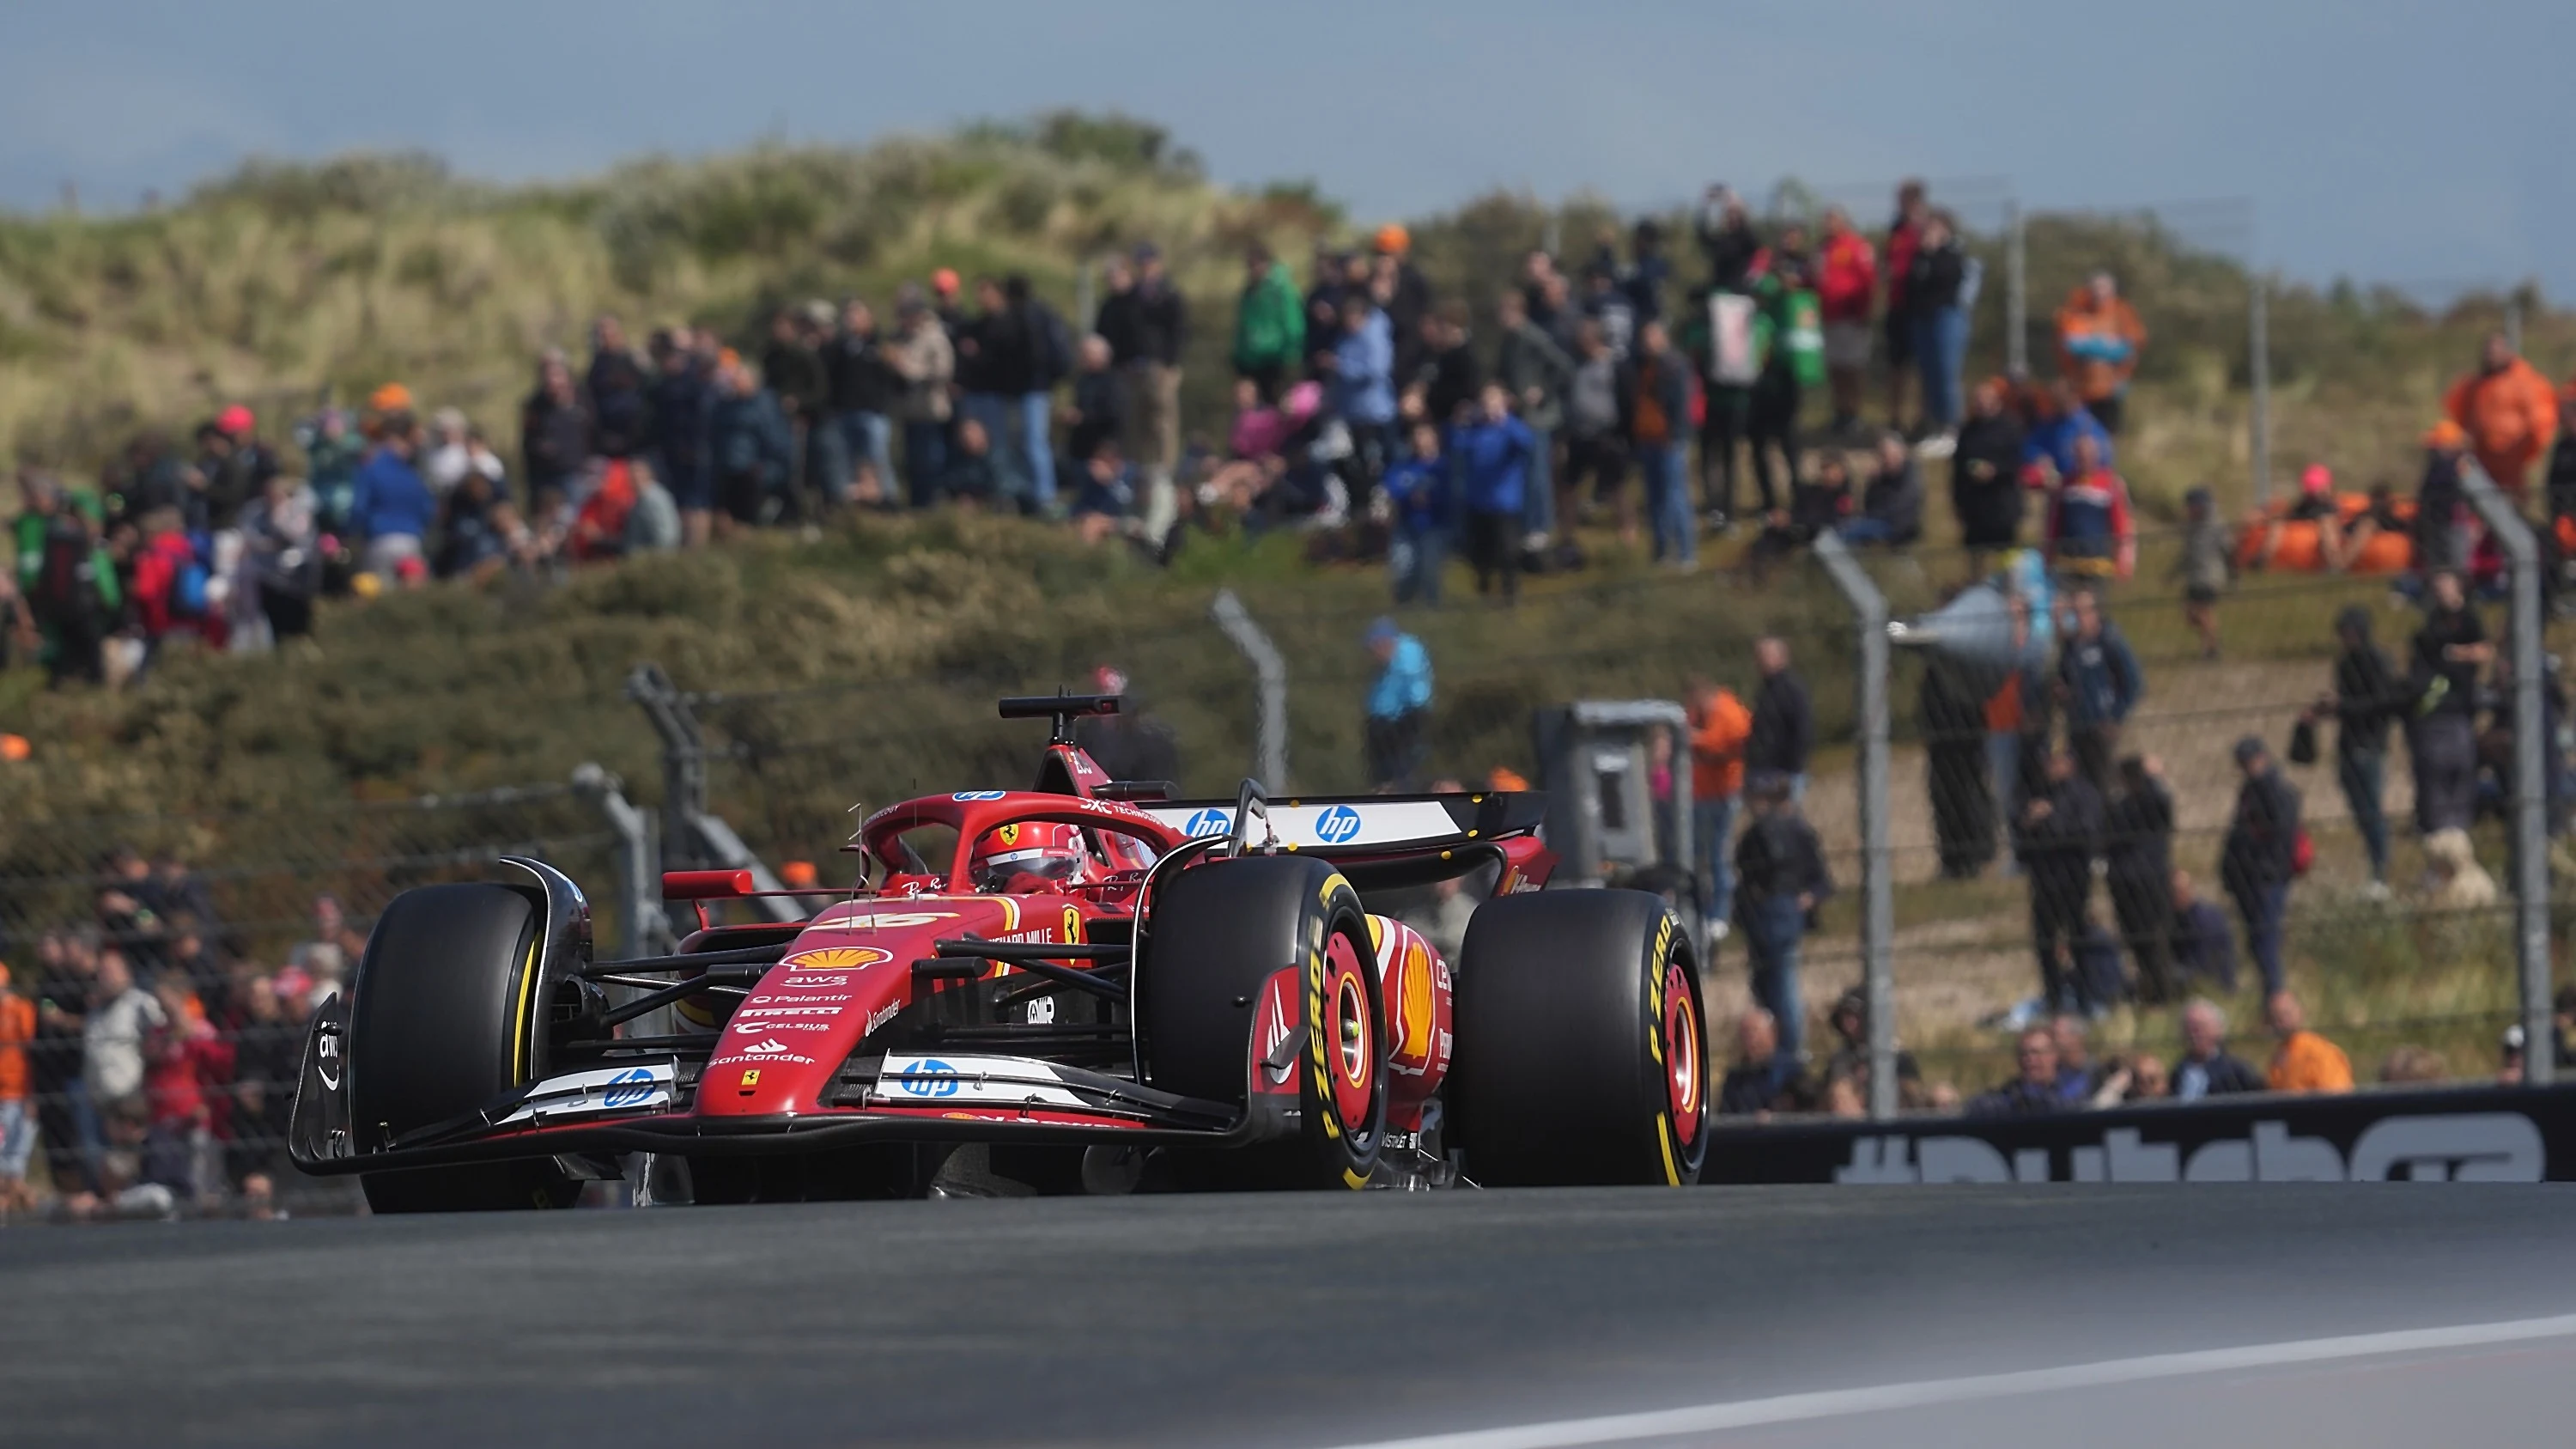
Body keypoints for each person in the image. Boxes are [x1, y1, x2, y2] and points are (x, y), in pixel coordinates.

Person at [2305, 606, 2403, 892]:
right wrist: (2325, 708)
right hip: (2349, 742)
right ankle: (2374, 863)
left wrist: (2343, 705)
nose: (2345, 638)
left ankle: (2380, 870)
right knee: (2359, 807)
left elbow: (2381, 704)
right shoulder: (2345, 663)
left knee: (2372, 809)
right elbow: (2349, 701)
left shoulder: (2377, 661)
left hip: (2370, 743)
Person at [1733, 775, 1829, 1068]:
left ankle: (1790, 1050)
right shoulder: (1763, 833)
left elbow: (1818, 877)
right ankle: (1773, 1047)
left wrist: (1807, 896)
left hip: (1778, 912)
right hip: (1767, 914)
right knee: (1767, 983)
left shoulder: (1787, 832)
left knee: (1781, 983)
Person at [2018, 747, 2105, 1014]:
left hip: (2073, 878)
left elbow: (2086, 833)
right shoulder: (2036, 794)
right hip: (2043, 881)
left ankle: (2085, 998)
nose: (2050, 767)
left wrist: (2050, 819)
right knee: (2045, 942)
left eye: (2056, 762)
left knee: (2078, 939)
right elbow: (2021, 841)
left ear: (2070, 764)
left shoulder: (2084, 794)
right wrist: (2029, 823)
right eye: (2047, 761)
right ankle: (2053, 999)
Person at [1109, 244, 1187, 535]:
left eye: (1149, 262)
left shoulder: (1167, 293)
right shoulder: (1132, 297)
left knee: (1162, 422)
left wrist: (1170, 363)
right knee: (1137, 423)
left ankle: (1164, 466)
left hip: (1160, 367)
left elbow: (1178, 329)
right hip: (1135, 368)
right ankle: (1140, 466)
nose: (1145, 267)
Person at [2408, 568, 2489, 835]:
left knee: (2463, 761)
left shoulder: (2469, 619)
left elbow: (2483, 650)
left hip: (2464, 697)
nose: (2440, 592)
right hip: (2440, 700)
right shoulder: (2432, 620)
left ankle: (2464, 818)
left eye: (2445, 586)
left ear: (2458, 587)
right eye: (2437, 588)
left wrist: (2456, 653)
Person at [2220, 736, 2300, 998]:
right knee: (2257, 940)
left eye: (2250, 760)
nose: (2247, 766)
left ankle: (2275, 998)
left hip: (2266, 878)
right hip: (2248, 877)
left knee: (2266, 939)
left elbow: (2281, 837)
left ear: (2262, 758)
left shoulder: (2276, 790)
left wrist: (2267, 868)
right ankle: (2269, 997)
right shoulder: (2250, 790)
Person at [1492, 289, 1571, 550]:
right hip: (1517, 418)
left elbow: (1563, 367)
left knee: (1538, 474)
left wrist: (1542, 391)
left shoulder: (1533, 336)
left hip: (1538, 418)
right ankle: (1525, 526)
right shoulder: (1508, 340)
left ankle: (1541, 526)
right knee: (1523, 473)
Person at [2442, 331, 2559, 495]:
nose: (2490, 357)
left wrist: (2527, 451)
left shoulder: (2526, 381)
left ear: (2508, 353)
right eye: (2488, 353)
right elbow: (2457, 410)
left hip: (2512, 460)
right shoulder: (2475, 384)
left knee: (2512, 503)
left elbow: (2542, 421)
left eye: (2495, 352)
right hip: (2480, 459)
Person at [1618, 319, 1695, 567]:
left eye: (1652, 337)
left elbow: (1681, 404)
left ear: (1663, 338)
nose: (1647, 343)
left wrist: (1676, 435)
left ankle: (1686, 553)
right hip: (1646, 439)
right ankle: (1661, 552)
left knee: (1675, 496)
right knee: (1655, 498)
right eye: (1645, 338)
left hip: (1669, 440)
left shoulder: (1674, 365)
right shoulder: (1639, 366)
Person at [1450, 385, 1537, 601]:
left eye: (1494, 402)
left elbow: (1527, 443)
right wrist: (1460, 423)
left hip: (1505, 503)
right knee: (1480, 554)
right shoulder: (1474, 430)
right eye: (1486, 403)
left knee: (1508, 552)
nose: (1490, 408)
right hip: (1478, 503)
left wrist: (1505, 422)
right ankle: (1484, 591)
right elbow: (1457, 448)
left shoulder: (1511, 428)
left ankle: (1511, 595)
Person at [2104, 755, 2178, 1004]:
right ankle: (2147, 991)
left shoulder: (2152, 801)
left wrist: (2154, 778)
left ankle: (2162, 994)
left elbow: (2162, 804)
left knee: (2155, 940)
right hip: (2125, 884)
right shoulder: (2120, 806)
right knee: (2134, 941)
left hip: (2150, 883)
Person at [2054, 588, 2142, 794]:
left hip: (2101, 725)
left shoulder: (2109, 642)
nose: (2077, 619)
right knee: (2078, 783)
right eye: (2073, 613)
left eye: (2082, 612)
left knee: (2103, 782)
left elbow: (2133, 683)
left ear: (2094, 614)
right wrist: (2062, 693)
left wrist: (2116, 716)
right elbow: (2065, 680)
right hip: (2076, 725)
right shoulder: (2069, 646)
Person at [1919, 651, 1996, 879]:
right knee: (1943, 798)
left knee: (1970, 797)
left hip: (1968, 744)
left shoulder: (1967, 671)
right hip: (1940, 743)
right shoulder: (1934, 673)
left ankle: (1975, 856)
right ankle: (1951, 859)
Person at [1686, 678, 1753, 941]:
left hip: (1723, 793)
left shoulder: (1728, 712)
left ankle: (1721, 915)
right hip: (1701, 793)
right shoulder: (1698, 714)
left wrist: (1695, 739)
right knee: (1699, 857)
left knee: (1718, 855)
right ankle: (1700, 912)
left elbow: (1725, 743)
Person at [1324, 289, 1399, 505]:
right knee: (1353, 465)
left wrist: (1342, 366)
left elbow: (1377, 370)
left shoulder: (1374, 338)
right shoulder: (1345, 338)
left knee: (1375, 465)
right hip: (1352, 413)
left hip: (1375, 413)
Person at [823, 298, 900, 508]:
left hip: (874, 413)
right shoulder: (841, 348)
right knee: (850, 463)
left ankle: (888, 501)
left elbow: (895, 379)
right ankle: (856, 506)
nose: (852, 320)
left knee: (878, 460)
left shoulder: (880, 345)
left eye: (857, 315)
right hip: (846, 412)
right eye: (849, 316)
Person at [1905, 210, 1971, 451]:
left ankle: (1952, 428)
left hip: (1947, 317)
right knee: (1929, 374)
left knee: (1946, 373)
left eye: (1933, 227)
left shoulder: (1952, 254)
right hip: (1923, 318)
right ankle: (1934, 425)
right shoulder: (1920, 255)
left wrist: (1933, 254)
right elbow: (1913, 282)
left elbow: (1948, 278)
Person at [2054, 272, 2147, 435]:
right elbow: (2071, 346)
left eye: (2104, 288)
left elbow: (2131, 347)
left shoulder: (2122, 312)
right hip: (2080, 388)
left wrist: (2093, 346)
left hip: (2111, 387)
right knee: (2081, 434)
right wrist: (2107, 347)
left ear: (2112, 291)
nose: (2099, 292)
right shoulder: (2076, 312)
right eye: (2095, 288)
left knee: (2109, 433)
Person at [887, 288, 956, 508]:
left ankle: (931, 504)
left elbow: (944, 370)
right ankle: (916, 504)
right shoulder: (902, 336)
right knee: (911, 463)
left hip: (930, 411)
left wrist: (907, 368)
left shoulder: (935, 336)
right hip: (909, 412)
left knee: (930, 463)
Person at [1814, 208, 1878, 439]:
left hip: (1852, 318)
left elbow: (1868, 280)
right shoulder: (1823, 248)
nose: (1827, 224)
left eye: (1831, 219)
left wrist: (1864, 312)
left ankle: (1854, 414)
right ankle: (1840, 413)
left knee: (1853, 367)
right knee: (1836, 367)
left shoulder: (1856, 246)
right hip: (1830, 317)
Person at [350, 412, 435, 584]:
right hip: (411, 540)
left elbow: (359, 508)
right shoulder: (413, 474)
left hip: (379, 540)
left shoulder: (371, 468)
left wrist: (352, 533)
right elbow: (428, 510)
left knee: (379, 598)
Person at [648, 329, 714, 545]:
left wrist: (693, 446)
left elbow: (703, 418)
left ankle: (696, 547)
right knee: (682, 503)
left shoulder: (695, 381)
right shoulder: (664, 384)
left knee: (697, 504)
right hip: (673, 451)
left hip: (695, 450)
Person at [1952, 379, 2026, 565]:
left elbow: (2018, 461)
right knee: (1975, 556)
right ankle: (1977, 587)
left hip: (2002, 504)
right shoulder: (1968, 431)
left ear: (1995, 401)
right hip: (1974, 506)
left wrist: (1996, 470)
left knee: (2007, 558)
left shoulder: (2010, 428)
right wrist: (1958, 502)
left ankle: (2009, 590)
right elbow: (1958, 467)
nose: (1979, 404)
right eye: (1976, 400)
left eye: (1983, 399)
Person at [2044, 430, 2136, 581]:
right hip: (2067, 563)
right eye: (2079, 454)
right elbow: (2053, 523)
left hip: (2098, 563)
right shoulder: (2064, 485)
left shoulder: (2111, 484)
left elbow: (2122, 525)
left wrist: (2123, 561)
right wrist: (2047, 555)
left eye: (2087, 454)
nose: (2083, 458)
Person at [1380, 421, 1452, 606]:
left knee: (1429, 571)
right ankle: (1404, 608)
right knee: (1403, 570)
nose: (1419, 440)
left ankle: (1432, 611)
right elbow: (1391, 488)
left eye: (1424, 435)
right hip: (1405, 526)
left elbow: (1451, 495)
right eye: (1416, 436)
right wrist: (1409, 496)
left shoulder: (1443, 467)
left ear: (1435, 438)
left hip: (1433, 526)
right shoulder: (1403, 465)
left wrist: (1431, 498)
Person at [1880, 180, 1929, 433]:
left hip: (1918, 307)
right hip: (1897, 305)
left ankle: (1922, 419)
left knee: (1922, 367)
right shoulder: (1896, 228)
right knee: (1897, 365)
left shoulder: (1926, 228)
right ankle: (1896, 420)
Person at [1363, 618, 1433, 789]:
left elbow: (1416, 694)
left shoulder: (1407, 657)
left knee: (1400, 774)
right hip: (1384, 725)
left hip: (1402, 723)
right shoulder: (1388, 666)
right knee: (1382, 775)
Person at [1232, 244, 1305, 401]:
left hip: (1276, 360)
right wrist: (1238, 356)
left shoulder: (1282, 290)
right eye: (1249, 265)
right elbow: (1243, 326)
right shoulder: (1249, 292)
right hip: (1251, 362)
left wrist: (1290, 356)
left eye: (1255, 264)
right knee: (1253, 415)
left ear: (1266, 264)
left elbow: (1294, 325)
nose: (1252, 270)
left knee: (1278, 411)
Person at [1745, 636, 1814, 799]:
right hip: (1762, 769)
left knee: (1784, 821)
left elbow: (1803, 729)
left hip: (1783, 772)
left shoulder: (1791, 689)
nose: (1760, 661)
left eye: (1765, 655)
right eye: (1758, 656)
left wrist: (1793, 768)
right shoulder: (1765, 689)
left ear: (1781, 657)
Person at [2172, 998, 2265, 1101]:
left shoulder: (2237, 1072)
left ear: (2218, 1030)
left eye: (2200, 1028)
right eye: (2189, 1028)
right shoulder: (2179, 1072)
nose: (2194, 1035)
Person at [2175, 487, 2230, 660]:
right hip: (2194, 577)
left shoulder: (2216, 525)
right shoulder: (2191, 527)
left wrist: (2233, 572)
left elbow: (2228, 548)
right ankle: (2211, 642)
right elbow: (2186, 554)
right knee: (2190, 614)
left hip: (2210, 576)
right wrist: (2173, 573)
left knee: (2204, 611)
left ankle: (2211, 648)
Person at [585, 316, 650, 462]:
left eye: (609, 334)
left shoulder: (634, 361)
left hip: (636, 439)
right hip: (607, 440)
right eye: (601, 335)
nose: (605, 339)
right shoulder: (596, 367)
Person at [1839, 431, 1922, 545]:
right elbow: (1868, 504)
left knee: (1846, 533)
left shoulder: (1909, 476)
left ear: (1901, 452)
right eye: (1882, 455)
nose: (1886, 459)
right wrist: (1873, 482)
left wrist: (1869, 518)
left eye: (1889, 454)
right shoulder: (1882, 477)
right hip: (1877, 520)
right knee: (1841, 528)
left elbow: (1899, 506)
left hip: (1896, 524)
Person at [2264, 990, 2353, 1093]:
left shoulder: (2319, 1052)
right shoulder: (2278, 1059)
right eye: (2275, 1017)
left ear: (2300, 1012)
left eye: (2286, 1014)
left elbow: (2337, 1096)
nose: (2281, 1022)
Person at [1965, 1027, 2067, 1117]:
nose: (2030, 1059)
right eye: (2023, 1054)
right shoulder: (2008, 1096)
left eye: (2036, 1052)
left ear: (2054, 1055)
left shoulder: (2071, 1094)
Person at [2414, 420, 2471, 575]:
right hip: (2439, 524)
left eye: (2435, 446)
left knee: (2452, 567)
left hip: (2449, 525)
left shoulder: (2445, 466)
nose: (2430, 451)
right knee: (2441, 567)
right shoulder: (2447, 465)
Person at [2167, 868, 2238, 994]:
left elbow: (2203, 963)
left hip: (2211, 979)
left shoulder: (2204, 919)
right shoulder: (2178, 917)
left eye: (2175, 891)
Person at [0, 960, 33, 1209]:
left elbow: (33, 1051)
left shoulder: (21, 1009)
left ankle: (16, 1198)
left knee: (15, 1153)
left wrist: (32, 1092)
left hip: (17, 1091)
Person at [1716, 1008, 1792, 1115]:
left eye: (1755, 1031)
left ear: (1772, 1034)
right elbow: (1725, 1115)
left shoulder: (1790, 1073)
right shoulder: (1735, 1079)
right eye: (1746, 1033)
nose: (1752, 1039)